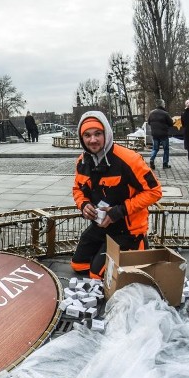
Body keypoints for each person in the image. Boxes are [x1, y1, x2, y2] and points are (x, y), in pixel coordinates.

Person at [71, 111, 163, 279]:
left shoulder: (129, 159)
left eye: (98, 134)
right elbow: (77, 189)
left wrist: (119, 211)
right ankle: (105, 253)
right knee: (78, 265)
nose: (93, 140)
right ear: (81, 137)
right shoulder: (82, 161)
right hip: (101, 226)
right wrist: (83, 205)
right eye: (87, 135)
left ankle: (138, 245)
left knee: (95, 275)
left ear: (106, 133)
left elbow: (154, 191)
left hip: (128, 230)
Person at [146, 99, 173, 169]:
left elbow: (149, 122)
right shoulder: (165, 113)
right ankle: (165, 164)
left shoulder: (151, 113)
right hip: (164, 134)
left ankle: (152, 159)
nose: (164, 104)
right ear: (162, 105)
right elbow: (171, 123)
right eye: (164, 103)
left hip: (155, 134)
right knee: (166, 149)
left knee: (155, 148)